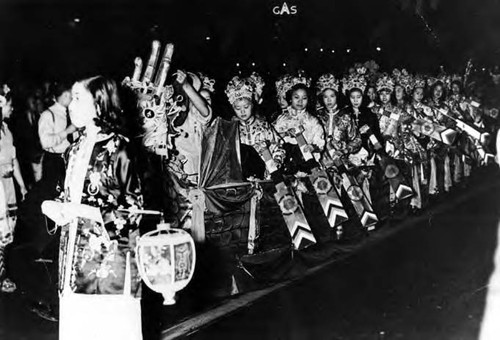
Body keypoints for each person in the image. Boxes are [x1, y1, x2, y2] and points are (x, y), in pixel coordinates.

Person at [42, 76, 144, 340]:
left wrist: (77, 210)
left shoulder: (119, 149)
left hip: (108, 270)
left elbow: (133, 214)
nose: (69, 106)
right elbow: (68, 200)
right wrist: (55, 209)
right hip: (72, 270)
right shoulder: (73, 150)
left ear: (98, 105)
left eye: (78, 98)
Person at [225, 74, 285, 179]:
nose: (242, 111)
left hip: (267, 176)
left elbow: (278, 145)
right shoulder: (231, 130)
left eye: (246, 107)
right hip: (242, 179)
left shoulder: (263, 126)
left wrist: (277, 160)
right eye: (238, 108)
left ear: (252, 105)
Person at [0, 85, 27, 293]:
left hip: (7, 187)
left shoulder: (7, 130)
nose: (12, 108)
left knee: (7, 234)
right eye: (9, 105)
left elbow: (14, 159)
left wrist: (21, 185)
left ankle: (3, 274)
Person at [273, 72, 325, 172]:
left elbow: (319, 140)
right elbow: (274, 138)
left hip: (307, 161)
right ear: (290, 98)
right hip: (286, 161)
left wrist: (312, 147)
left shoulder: (312, 120)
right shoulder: (282, 119)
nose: (300, 101)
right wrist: (285, 134)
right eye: (296, 97)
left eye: (304, 98)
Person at [38, 82, 76, 190]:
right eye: (72, 96)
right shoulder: (48, 115)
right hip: (54, 161)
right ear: (65, 95)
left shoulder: (72, 114)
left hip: (70, 160)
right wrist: (67, 132)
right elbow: (45, 142)